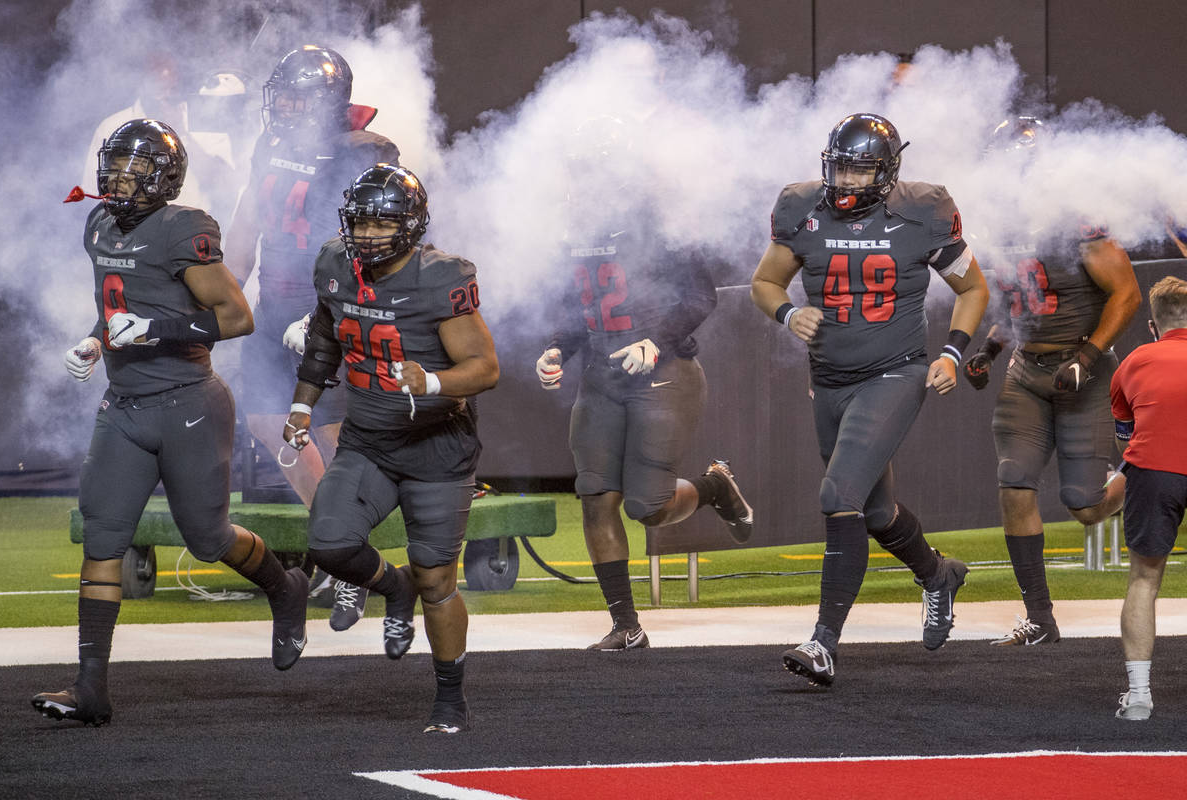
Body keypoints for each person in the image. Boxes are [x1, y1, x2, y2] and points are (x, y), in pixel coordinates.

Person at [33, 119, 309, 726]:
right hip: (125, 407)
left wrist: (153, 330)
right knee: (102, 540)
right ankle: (90, 690)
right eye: (116, 166)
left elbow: (237, 318)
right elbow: (119, 307)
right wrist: (95, 340)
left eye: (137, 169)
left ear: (165, 178)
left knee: (207, 540)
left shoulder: (184, 229)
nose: (120, 179)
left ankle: (284, 588)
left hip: (189, 402)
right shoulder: (99, 223)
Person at [751, 112, 989, 686]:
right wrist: (788, 313)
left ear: (886, 173)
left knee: (838, 495)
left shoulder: (923, 211)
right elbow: (765, 283)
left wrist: (952, 353)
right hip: (830, 378)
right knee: (875, 512)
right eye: (840, 169)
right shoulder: (802, 209)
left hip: (895, 372)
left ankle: (823, 643)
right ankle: (938, 575)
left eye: (860, 172)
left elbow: (973, 288)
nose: (847, 183)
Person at [282, 164, 497, 734]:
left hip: (437, 448)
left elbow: (485, 368)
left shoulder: (439, 278)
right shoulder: (334, 264)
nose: (371, 234)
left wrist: (433, 383)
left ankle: (450, 698)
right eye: (362, 221)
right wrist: (303, 403)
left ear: (413, 223)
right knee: (329, 541)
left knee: (438, 580)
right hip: (368, 442)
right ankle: (391, 587)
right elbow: (326, 336)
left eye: (384, 222)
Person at [535, 118, 754, 651]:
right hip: (601, 378)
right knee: (593, 496)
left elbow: (702, 297)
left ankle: (712, 487)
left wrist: (654, 341)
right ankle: (626, 625)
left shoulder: (659, 223)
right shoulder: (573, 230)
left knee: (646, 506)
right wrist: (560, 347)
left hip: (665, 372)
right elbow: (578, 308)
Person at [226, 45, 401, 630]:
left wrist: (334, 308)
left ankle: (350, 561)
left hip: (328, 308)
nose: (285, 109)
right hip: (275, 306)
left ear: (327, 104)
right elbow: (251, 215)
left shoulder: (363, 153)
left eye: (298, 99)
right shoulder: (272, 145)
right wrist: (225, 285)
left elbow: (372, 243)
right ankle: (342, 550)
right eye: (284, 97)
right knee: (265, 423)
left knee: (329, 433)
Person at [962, 116, 1140, 646]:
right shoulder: (1001, 224)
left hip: (1082, 372)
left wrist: (1087, 354)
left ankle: (1148, 471)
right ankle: (1040, 618)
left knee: (1085, 507)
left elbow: (1127, 293)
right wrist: (990, 350)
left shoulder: (1076, 220)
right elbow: (1025, 303)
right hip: (1027, 373)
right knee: (1014, 484)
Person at [1109, 276, 1187, 720]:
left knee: (1144, 580)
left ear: (1154, 325)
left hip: (1155, 470)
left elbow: (1126, 439)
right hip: (1160, 463)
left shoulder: (1135, 361)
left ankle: (1139, 697)